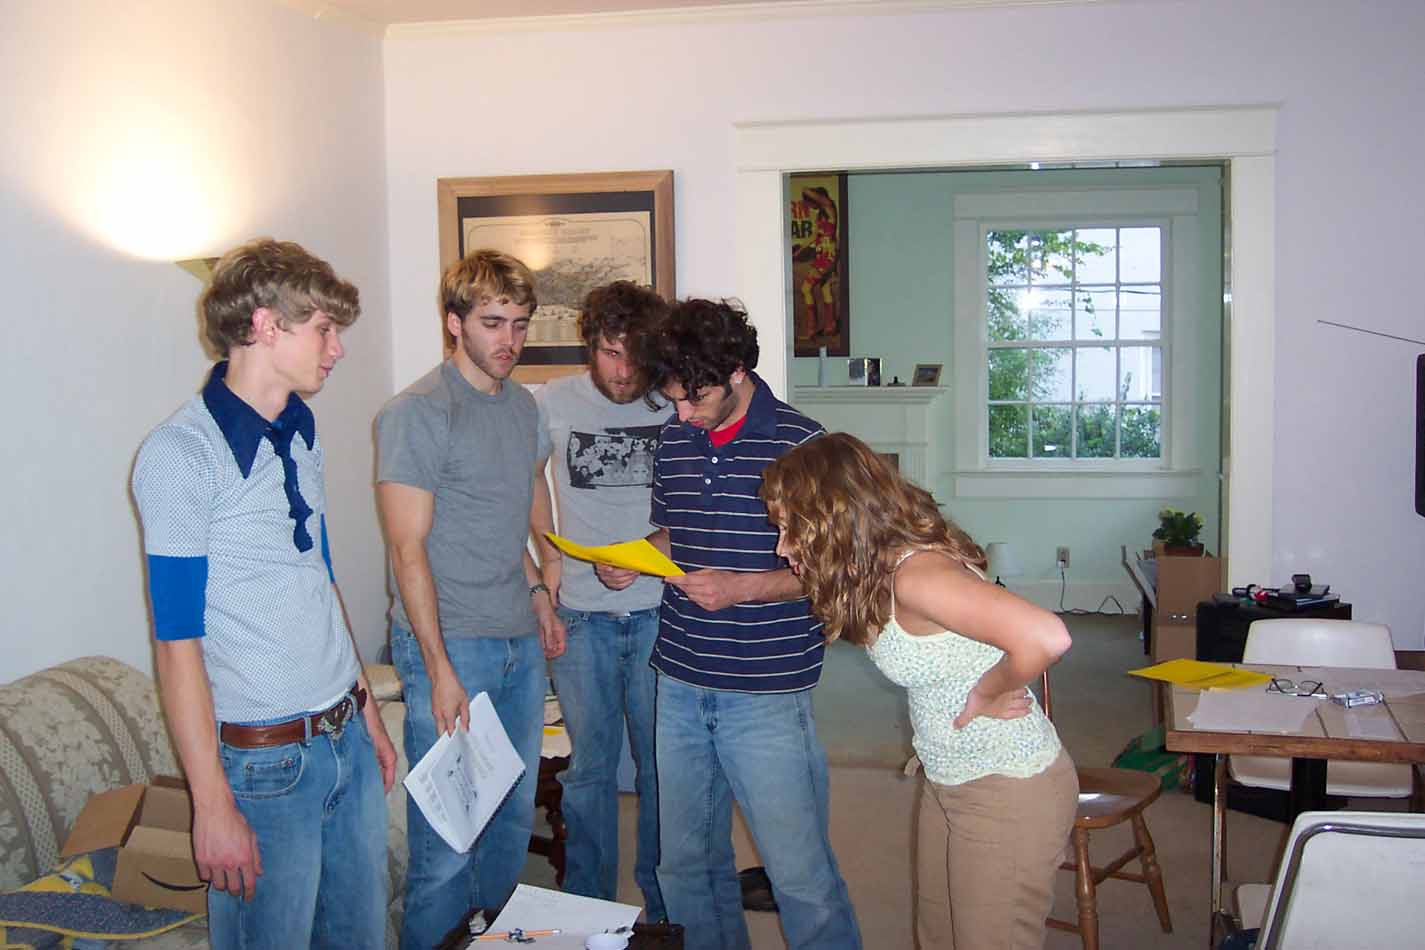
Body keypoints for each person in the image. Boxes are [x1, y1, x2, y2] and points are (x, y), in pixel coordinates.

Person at [132, 238, 395, 949]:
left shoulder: (301, 429)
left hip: (344, 735)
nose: (337, 349)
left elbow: (321, 578)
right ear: (264, 325)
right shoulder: (180, 455)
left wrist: (367, 712)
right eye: (323, 329)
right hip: (265, 764)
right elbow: (177, 643)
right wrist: (211, 804)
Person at [600, 298, 861, 950]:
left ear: (737, 371)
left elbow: (840, 570)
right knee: (683, 867)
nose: (683, 415)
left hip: (766, 688)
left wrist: (744, 587)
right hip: (678, 680)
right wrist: (635, 558)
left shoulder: (803, 445)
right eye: (673, 400)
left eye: (696, 399)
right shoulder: (674, 440)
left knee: (798, 877)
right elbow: (676, 533)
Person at [760, 432, 1078, 950]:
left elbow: (1047, 636)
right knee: (937, 936)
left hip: (1005, 786)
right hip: (948, 776)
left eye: (790, 528)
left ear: (833, 517)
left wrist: (988, 692)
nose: (783, 546)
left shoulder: (918, 576)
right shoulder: (881, 569)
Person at [374, 249, 566, 950]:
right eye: (492, 323)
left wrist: (540, 585)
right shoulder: (418, 412)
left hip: (516, 636)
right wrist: (438, 669)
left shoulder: (521, 407)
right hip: (451, 642)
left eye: (519, 324)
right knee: (448, 846)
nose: (509, 340)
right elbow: (407, 551)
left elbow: (510, 505)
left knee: (509, 825)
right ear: (454, 323)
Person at [529, 281, 670, 918]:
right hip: (581, 615)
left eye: (637, 355)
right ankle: (589, 907)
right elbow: (530, 479)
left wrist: (647, 553)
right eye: (612, 354)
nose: (624, 371)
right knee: (589, 768)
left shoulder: (673, 403)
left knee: (660, 767)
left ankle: (664, 905)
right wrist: (550, 559)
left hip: (662, 613)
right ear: (590, 346)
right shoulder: (552, 401)